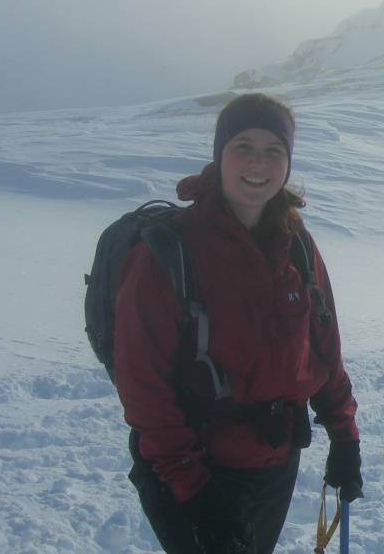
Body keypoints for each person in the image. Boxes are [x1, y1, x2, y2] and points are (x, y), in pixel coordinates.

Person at [113, 93, 363, 553]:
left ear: (287, 164)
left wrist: (344, 435)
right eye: (243, 146)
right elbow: (142, 385)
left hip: (274, 463)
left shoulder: (297, 245)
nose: (258, 162)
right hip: (196, 469)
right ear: (219, 155)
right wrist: (194, 489)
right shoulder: (168, 253)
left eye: (274, 151)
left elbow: (323, 349)